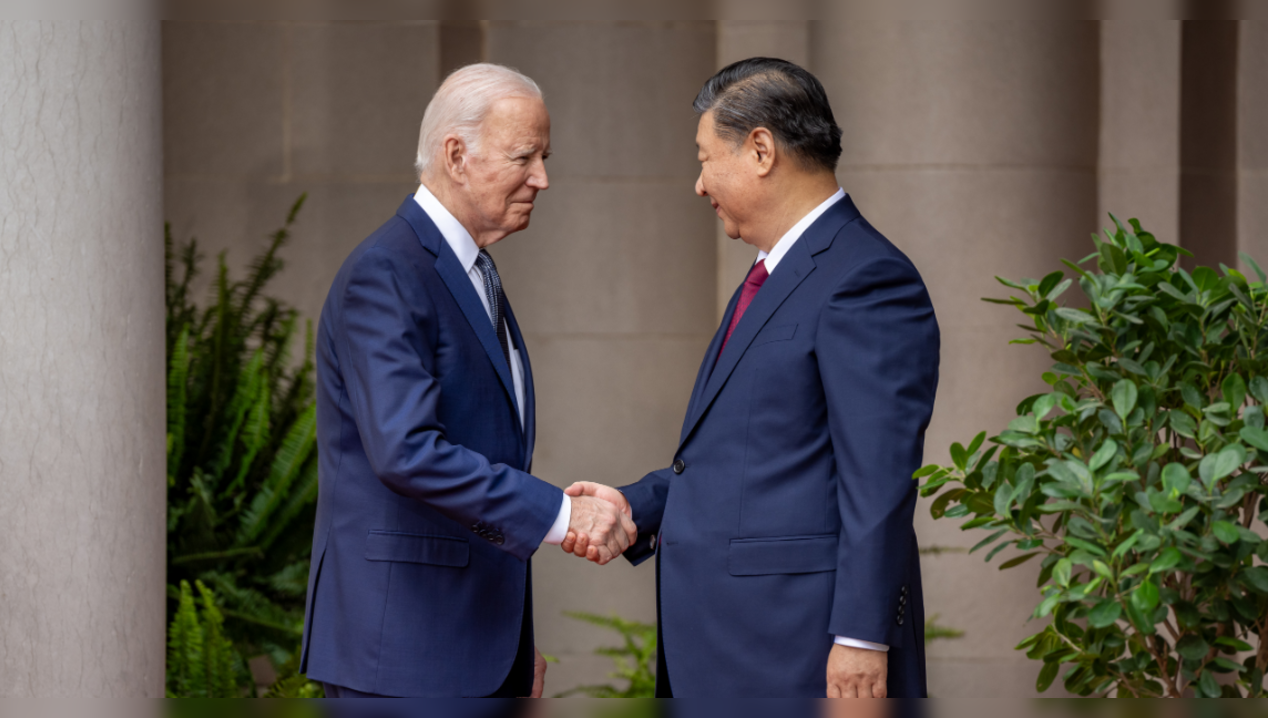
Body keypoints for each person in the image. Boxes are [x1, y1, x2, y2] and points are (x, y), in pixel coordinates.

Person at [565, 57, 939, 698]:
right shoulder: (774, 275)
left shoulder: (866, 279)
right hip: (730, 648)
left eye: (706, 158)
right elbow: (753, 454)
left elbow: (877, 480)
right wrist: (638, 504)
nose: (699, 183)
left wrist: (861, 636)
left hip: (799, 651)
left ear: (761, 149)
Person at [302, 63, 637, 698]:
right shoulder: (388, 272)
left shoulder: (470, 271)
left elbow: (483, 460)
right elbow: (407, 452)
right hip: (403, 654)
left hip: (472, 647)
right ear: (456, 156)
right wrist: (563, 515)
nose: (543, 177)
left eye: (544, 156)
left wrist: (510, 643)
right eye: (524, 156)